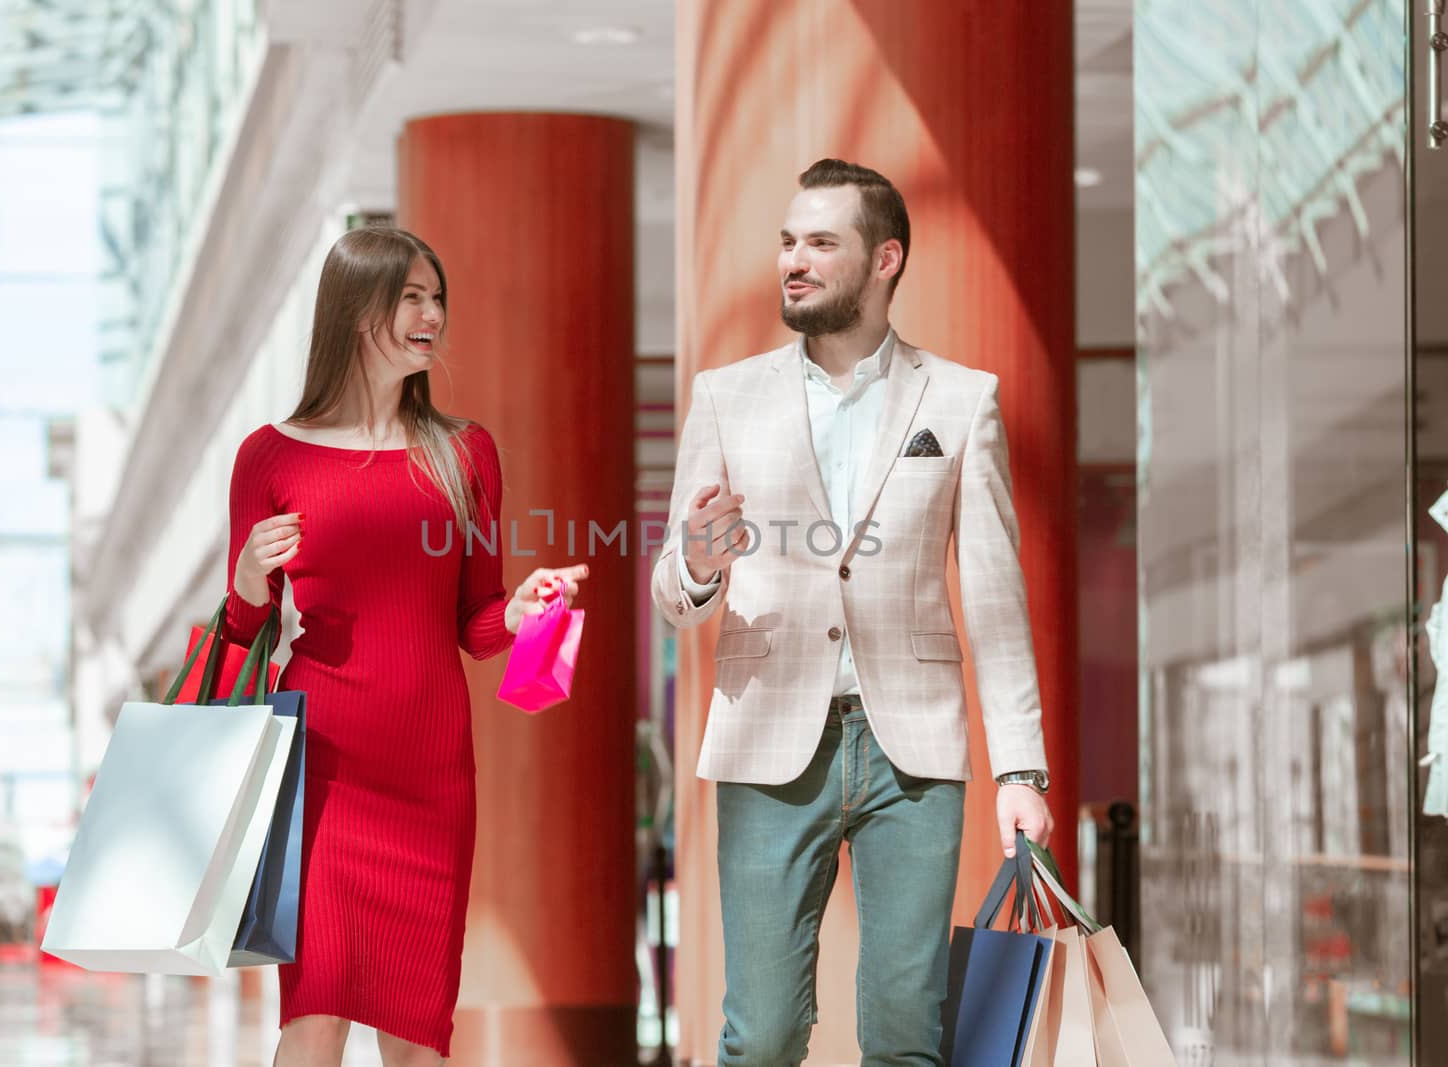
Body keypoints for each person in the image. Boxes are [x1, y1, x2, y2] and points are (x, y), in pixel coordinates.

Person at [651, 158, 1054, 1066]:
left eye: (820, 243)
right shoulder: (726, 395)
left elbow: (995, 597)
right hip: (767, 740)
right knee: (762, 1037)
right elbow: (672, 596)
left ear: (885, 259)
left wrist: (1021, 769)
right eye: (788, 241)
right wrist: (701, 563)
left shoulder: (959, 400)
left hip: (909, 745)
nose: (793, 259)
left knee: (908, 1032)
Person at [222, 225, 587, 1067]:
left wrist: (530, 613)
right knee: (312, 1019)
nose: (432, 315)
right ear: (358, 313)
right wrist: (245, 578)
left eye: (437, 298)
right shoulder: (268, 457)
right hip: (323, 772)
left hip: (430, 778)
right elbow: (244, 636)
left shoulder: (467, 452)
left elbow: (476, 623)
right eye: (412, 297)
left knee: (419, 1034)